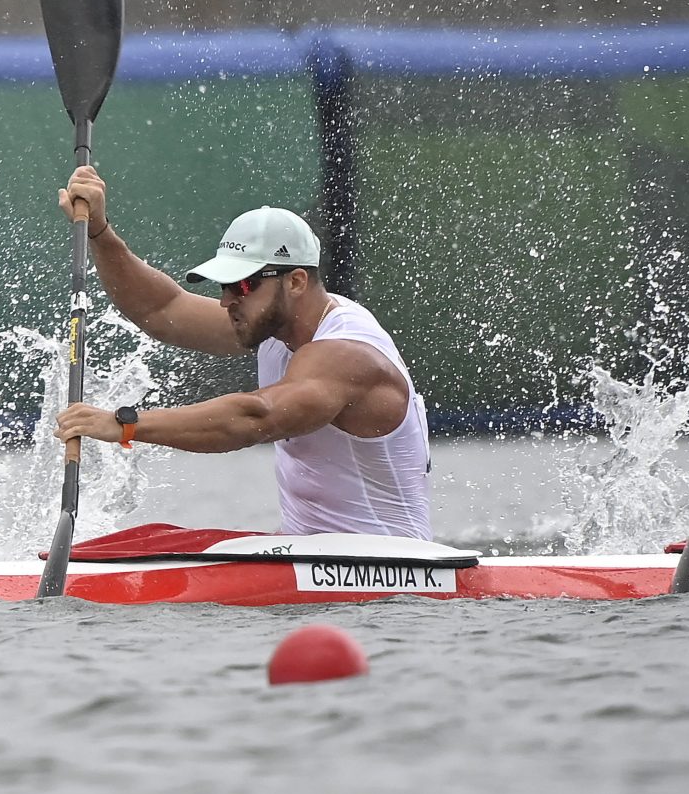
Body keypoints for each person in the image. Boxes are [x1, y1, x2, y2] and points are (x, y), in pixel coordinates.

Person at [50, 168, 433, 539]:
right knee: (152, 539)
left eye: (243, 285)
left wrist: (125, 425)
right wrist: (100, 233)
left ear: (296, 281)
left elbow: (254, 417)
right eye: (224, 285)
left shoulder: (347, 354)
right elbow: (161, 310)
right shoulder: (274, 325)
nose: (226, 301)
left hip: (383, 577)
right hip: (311, 554)